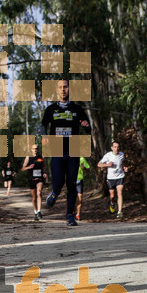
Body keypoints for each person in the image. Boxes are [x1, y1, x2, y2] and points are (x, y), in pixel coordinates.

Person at [39, 78, 91, 227]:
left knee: (72, 184)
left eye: (66, 87)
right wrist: (44, 136)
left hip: (73, 149)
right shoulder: (50, 109)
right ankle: (54, 193)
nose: (63, 89)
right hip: (57, 149)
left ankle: (70, 215)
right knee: (58, 181)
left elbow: (88, 128)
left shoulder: (77, 109)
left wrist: (86, 126)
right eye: (61, 87)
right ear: (57, 90)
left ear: (69, 89)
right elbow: (43, 125)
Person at [98, 141, 129, 219]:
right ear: (112, 148)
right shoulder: (108, 155)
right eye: (115, 147)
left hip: (120, 176)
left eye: (118, 147)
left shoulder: (121, 154)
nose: (117, 149)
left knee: (120, 193)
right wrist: (107, 165)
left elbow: (123, 161)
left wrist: (125, 167)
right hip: (111, 178)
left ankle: (120, 212)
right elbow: (99, 164)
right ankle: (112, 204)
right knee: (112, 195)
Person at [22, 144, 47, 220]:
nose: (35, 150)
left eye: (37, 148)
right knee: (34, 197)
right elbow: (23, 168)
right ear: (31, 149)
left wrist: (45, 173)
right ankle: (35, 212)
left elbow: (44, 166)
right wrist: (29, 167)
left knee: (39, 193)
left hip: (39, 178)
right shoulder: (28, 157)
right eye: (34, 149)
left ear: (38, 149)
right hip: (31, 178)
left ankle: (39, 211)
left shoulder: (41, 157)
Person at [75, 156, 90, 221]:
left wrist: (84, 168)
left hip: (79, 180)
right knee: (72, 197)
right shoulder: (69, 158)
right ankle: (71, 211)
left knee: (80, 197)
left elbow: (88, 169)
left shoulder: (81, 159)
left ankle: (78, 214)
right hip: (71, 180)